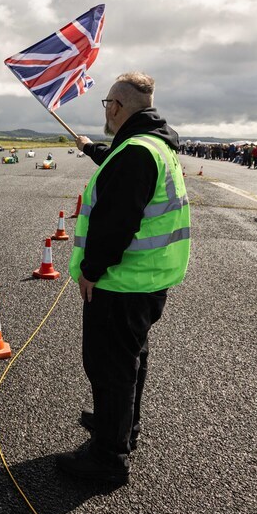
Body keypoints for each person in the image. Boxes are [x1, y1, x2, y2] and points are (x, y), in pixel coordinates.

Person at [62, 72, 190, 485]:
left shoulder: (136, 152)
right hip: (148, 279)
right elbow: (121, 174)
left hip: (121, 282)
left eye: (106, 104)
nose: (105, 111)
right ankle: (120, 426)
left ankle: (108, 458)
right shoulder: (153, 144)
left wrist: (92, 270)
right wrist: (90, 149)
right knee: (131, 359)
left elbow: (116, 220)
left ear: (117, 107)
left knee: (109, 367)